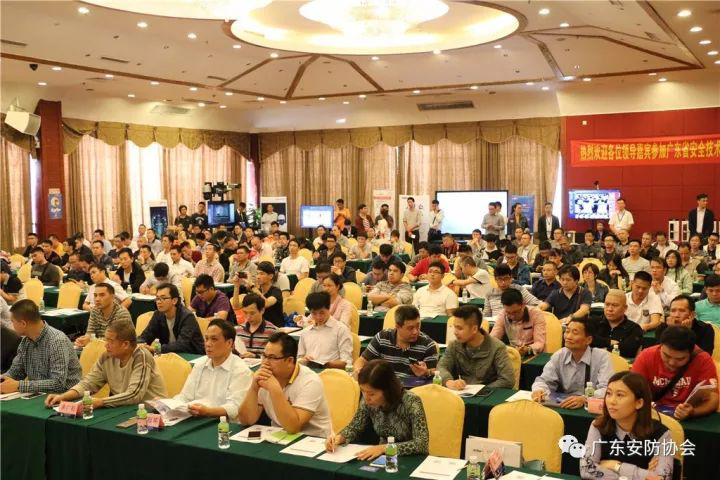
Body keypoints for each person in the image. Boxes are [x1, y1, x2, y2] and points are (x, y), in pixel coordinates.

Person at [46, 319, 166, 409]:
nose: (106, 345)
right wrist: (63, 397)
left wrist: (101, 402)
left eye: (110, 341)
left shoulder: (142, 356)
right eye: (105, 339)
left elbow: (134, 395)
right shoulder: (107, 356)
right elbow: (89, 383)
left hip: (150, 412)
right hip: (122, 409)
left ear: (125, 344)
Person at [579, 371, 674, 480]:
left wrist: (616, 466)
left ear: (639, 403)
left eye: (620, 395)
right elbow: (586, 469)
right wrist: (643, 474)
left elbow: (662, 478)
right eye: (609, 393)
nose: (611, 401)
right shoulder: (598, 426)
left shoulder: (662, 434)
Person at [326, 360, 429, 460]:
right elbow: (355, 426)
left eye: (372, 394)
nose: (366, 398)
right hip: (382, 457)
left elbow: (421, 444)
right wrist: (340, 437)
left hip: (411, 459)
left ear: (387, 390)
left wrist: (384, 448)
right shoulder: (367, 401)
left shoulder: (411, 402)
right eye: (363, 391)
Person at [238, 332, 332, 436]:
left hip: (313, 439)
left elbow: (293, 427)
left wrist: (275, 389)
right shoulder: (264, 377)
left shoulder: (310, 381)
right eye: (264, 356)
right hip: (278, 436)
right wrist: (254, 388)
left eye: (272, 357)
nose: (265, 362)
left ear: (290, 361)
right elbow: (246, 420)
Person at [632, 326, 718, 419]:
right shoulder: (646, 356)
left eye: (680, 359)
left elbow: (713, 399)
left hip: (687, 414)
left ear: (691, 352)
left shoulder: (702, 359)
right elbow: (632, 391)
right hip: (653, 412)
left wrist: (693, 412)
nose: (672, 363)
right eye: (667, 356)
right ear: (661, 346)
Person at [173, 319, 252, 419]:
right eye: (206, 339)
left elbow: (235, 407)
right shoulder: (200, 365)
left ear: (229, 343)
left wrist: (207, 411)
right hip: (197, 418)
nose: (208, 344)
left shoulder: (240, 370)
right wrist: (169, 404)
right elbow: (185, 397)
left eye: (214, 339)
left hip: (224, 423)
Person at [1, 300, 82, 394]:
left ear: (23, 324)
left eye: (12, 322)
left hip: (65, 396)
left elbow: (58, 384)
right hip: (39, 395)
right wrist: (3, 380)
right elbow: (15, 372)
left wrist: (19, 386)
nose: (11, 325)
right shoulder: (25, 342)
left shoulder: (57, 341)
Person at [531, 317, 613, 408]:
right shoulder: (560, 355)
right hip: (565, 403)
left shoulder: (601, 357)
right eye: (567, 331)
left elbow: (607, 388)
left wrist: (585, 398)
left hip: (590, 408)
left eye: (575, 333)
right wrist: (539, 390)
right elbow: (544, 380)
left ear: (588, 340)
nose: (568, 337)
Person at [355, 305, 437, 380]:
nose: (415, 332)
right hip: (384, 386)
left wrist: (426, 373)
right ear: (397, 326)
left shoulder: (428, 344)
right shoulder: (382, 337)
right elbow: (361, 360)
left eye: (418, 326)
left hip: (413, 389)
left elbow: (435, 375)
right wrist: (359, 370)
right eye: (410, 328)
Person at [138, 283, 205, 354]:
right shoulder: (158, 315)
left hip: (192, 355)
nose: (158, 302)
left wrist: (155, 349)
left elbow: (182, 345)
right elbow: (146, 335)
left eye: (163, 298)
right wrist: (140, 344)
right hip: (169, 355)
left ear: (174, 301)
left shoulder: (187, 317)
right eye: (157, 298)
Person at [296, 292, 353, 369]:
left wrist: (327, 365)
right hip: (309, 372)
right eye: (314, 313)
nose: (318, 317)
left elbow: (347, 362)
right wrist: (303, 360)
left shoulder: (341, 330)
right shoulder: (305, 332)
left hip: (331, 373)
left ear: (328, 308)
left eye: (322, 312)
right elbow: (299, 359)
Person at [75, 283, 133, 347]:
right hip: (100, 346)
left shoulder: (121, 313)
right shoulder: (95, 310)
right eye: (95, 295)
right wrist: (84, 339)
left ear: (112, 297)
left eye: (102, 295)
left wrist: (91, 341)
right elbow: (90, 332)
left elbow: (115, 340)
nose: (97, 299)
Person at [491, 289, 547, 355]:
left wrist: (527, 349)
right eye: (508, 313)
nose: (512, 316)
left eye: (515, 312)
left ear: (523, 305)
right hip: (514, 353)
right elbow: (493, 338)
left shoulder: (536, 314)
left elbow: (539, 343)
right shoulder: (503, 315)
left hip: (535, 354)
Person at [591, 290, 644, 358]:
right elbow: (587, 340)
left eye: (615, 305)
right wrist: (609, 342)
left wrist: (604, 350)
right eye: (607, 304)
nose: (610, 309)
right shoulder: (593, 322)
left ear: (625, 308)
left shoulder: (634, 328)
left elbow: (628, 349)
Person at [246, 262, 284, 327]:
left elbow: (266, 303)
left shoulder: (276, 291)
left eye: (261, 274)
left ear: (271, 276)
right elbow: (236, 306)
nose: (258, 277)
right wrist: (236, 286)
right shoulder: (257, 291)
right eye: (257, 274)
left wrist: (252, 287)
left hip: (275, 328)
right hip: (259, 327)